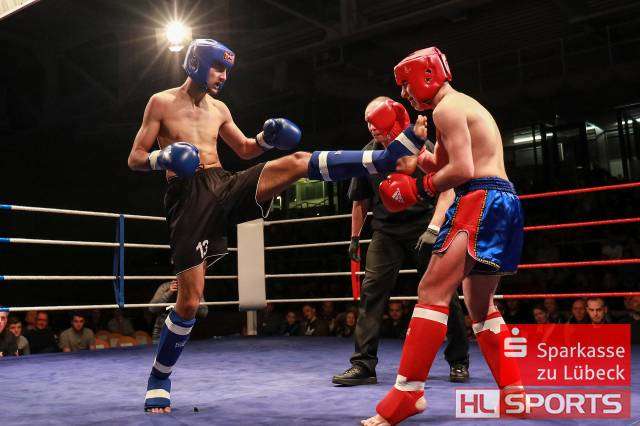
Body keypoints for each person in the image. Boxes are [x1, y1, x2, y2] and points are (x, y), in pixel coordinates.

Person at [128, 38, 428, 413]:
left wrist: (265, 140)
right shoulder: (161, 102)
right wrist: (162, 157)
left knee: (297, 161)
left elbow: (243, 149)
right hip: (187, 197)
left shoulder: (219, 109)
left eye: (226, 70)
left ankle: (383, 159)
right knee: (189, 302)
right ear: (196, 64)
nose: (223, 76)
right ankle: (159, 378)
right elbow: (135, 157)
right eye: (218, 68)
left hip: (222, 183)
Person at [362, 46, 524, 425]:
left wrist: (419, 190)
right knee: (479, 305)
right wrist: (416, 151)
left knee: (432, 290)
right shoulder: (460, 105)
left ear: (427, 75)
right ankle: (514, 392)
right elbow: (444, 162)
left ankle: (409, 393)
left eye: (406, 84)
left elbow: (462, 170)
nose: (404, 93)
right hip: (503, 200)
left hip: (480, 197)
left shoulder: (446, 109)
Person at [333, 96, 469, 386]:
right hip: (386, 231)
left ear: (393, 121)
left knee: (442, 291)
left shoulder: (422, 146)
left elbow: (448, 190)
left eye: (377, 124)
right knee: (371, 292)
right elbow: (360, 201)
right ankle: (363, 365)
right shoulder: (368, 155)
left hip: (424, 225)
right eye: (369, 125)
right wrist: (355, 237)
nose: (373, 130)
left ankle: (459, 360)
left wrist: (434, 228)